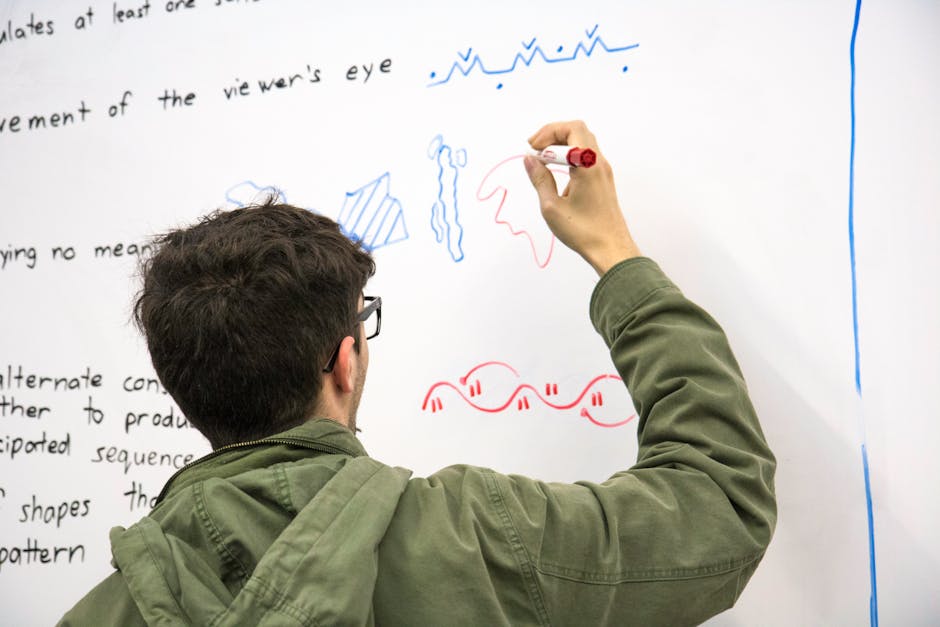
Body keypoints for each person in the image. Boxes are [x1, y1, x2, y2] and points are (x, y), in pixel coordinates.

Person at [59, 121, 776, 626]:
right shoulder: (481, 541)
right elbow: (719, 507)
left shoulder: (100, 611)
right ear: (346, 360)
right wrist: (618, 257)